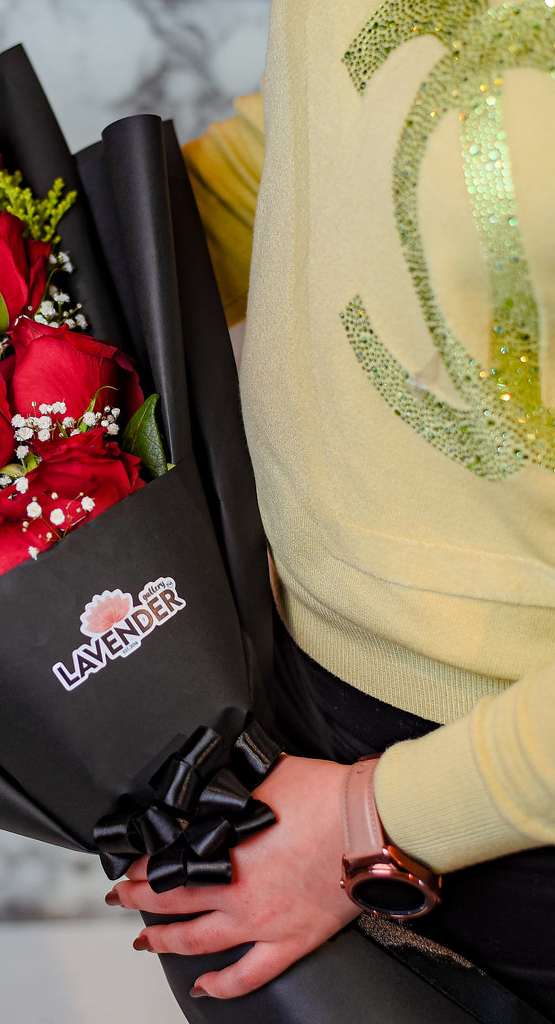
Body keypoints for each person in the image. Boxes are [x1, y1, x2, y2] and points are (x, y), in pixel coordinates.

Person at [104, 1, 555, 1017]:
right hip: (303, 686)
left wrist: (368, 820)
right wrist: (44, 271)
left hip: (510, 808)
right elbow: (360, 103)